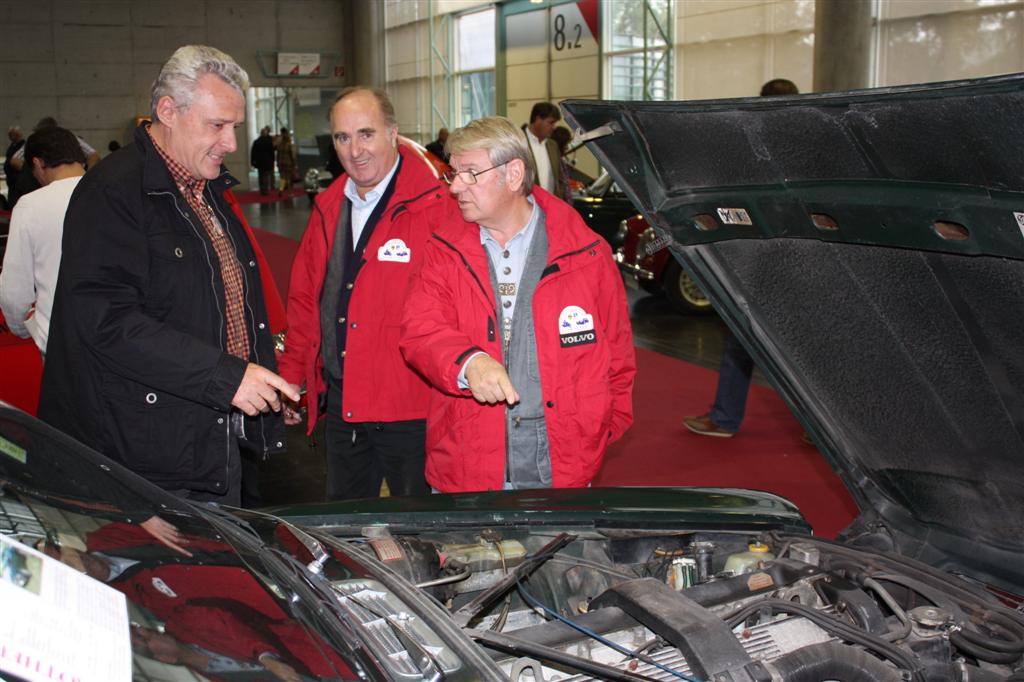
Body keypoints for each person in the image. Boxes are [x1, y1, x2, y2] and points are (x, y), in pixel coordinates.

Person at [38, 45, 298, 507]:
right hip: (145, 457)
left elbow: (225, 304)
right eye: (217, 125)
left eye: (235, 127)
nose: (232, 143)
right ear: (167, 111)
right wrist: (227, 377)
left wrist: (263, 380)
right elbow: (104, 321)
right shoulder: (113, 193)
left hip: (206, 435)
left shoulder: (205, 187)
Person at [400, 116, 636, 492]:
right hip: (468, 465)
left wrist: (597, 430)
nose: (456, 186)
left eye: (471, 173)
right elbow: (420, 329)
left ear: (513, 175)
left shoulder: (586, 254)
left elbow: (618, 356)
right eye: (454, 174)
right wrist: (469, 362)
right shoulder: (444, 250)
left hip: (562, 468)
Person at [278, 87, 449, 501]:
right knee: (347, 529)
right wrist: (292, 379)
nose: (355, 151)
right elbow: (305, 302)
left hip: (411, 410)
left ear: (393, 133)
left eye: (366, 134)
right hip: (344, 403)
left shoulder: (436, 206)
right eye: (342, 137)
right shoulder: (329, 207)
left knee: (420, 536)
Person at [683, 78, 800, 439]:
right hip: (793, 259)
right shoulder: (798, 149)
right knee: (800, 350)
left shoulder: (756, 150)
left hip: (764, 261)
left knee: (742, 339)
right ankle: (824, 429)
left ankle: (724, 418)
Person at [0, 127, 86, 356]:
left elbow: (15, 288)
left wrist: (19, 326)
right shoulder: (116, 192)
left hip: (62, 339)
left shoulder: (31, 206)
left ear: (38, 163)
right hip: (121, 336)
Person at [7, 116, 101, 208]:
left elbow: (14, 161)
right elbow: (94, 155)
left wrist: (31, 172)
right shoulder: (70, 138)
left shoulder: (34, 142)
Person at [521, 101, 566, 200]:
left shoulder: (553, 146)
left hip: (551, 207)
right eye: (550, 122)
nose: (553, 127)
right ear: (537, 120)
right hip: (528, 206)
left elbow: (560, 179)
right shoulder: (518, 142)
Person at [250, 125, 275, 195]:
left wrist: (253, 161)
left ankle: (262, 189)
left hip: (260, 162)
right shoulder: (269, 142)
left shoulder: (256, 142)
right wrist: (273, 160)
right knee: (266, 176)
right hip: (267, 162)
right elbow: (271, 152)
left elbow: (253, 153)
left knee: (261, 176)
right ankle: (265, 190)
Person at [3, 126, 25, 203]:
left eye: (12, 134)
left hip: (17, 183)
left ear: (18, 135)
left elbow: (16, 162)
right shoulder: (12, 146)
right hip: (11, 182)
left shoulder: (23, 146)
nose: (10, 137)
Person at [275, 127, 296, 195]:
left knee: (282, 177)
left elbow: (277, 155)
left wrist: (278, 163)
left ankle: (281, 190)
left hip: (281, 163)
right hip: (288, 163)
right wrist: (294, 163)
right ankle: (290, 192)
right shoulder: (289, 145)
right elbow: (292, 155)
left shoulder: (279, 145)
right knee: (289, 178)